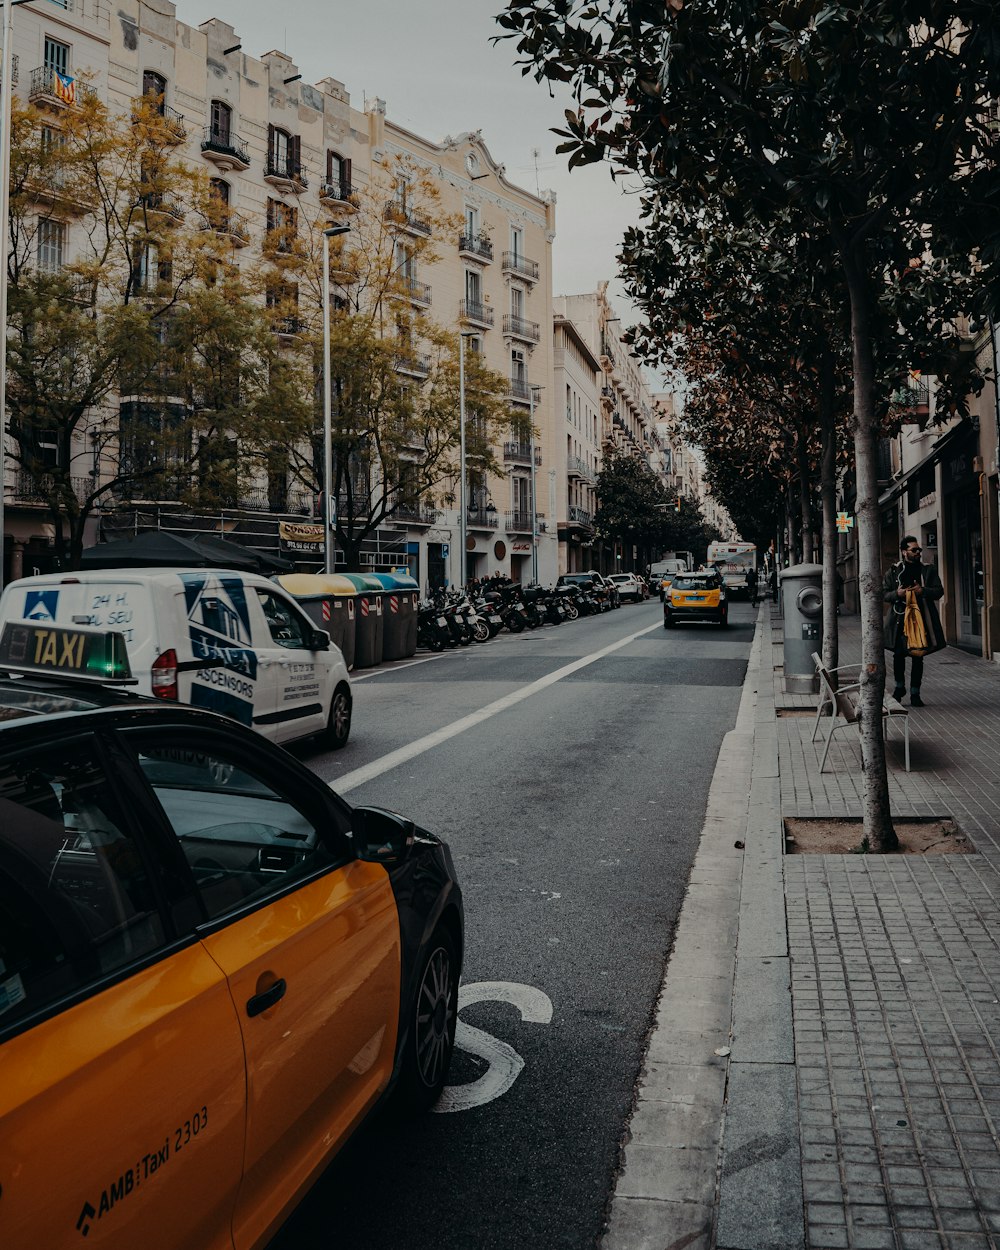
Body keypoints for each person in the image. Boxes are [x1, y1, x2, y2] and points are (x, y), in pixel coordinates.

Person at [882, 535, 944, 706]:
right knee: (899, 655)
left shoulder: (928, 570)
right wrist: (898, 594)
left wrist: (922, 591)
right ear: (904, 552)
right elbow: (884, 594)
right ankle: (899, 688)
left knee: (918, 656)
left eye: (919, 550)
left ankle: (915, 693)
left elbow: (939, 591)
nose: (918, 553)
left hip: (921, 619)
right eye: (914, 550)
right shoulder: (894, 571)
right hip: (899, 618)